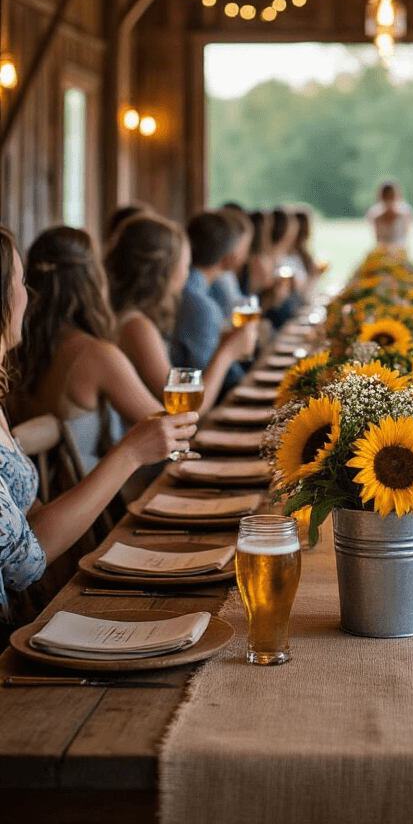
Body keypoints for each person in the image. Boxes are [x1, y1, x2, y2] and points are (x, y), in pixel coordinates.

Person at [0, 225, 195, 621]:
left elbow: (29, 519)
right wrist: (129, 454)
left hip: (56, 560)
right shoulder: (97, 352)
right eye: (20, 281)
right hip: (66, 563)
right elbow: (23, 563)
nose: (28, 293)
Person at [16, 227, 168, 472]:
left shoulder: (16, 348)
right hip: (97, 500)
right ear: (91, 278)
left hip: (41, 496)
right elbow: (167, 433)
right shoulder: (97, 355)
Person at [106, 211, 251, 414]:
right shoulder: (136, 326)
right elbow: (185, 410)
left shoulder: (134, 317)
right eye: (184, 265)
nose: (187, 274)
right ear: (164, 272)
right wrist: (226, 353)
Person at [171, 211, 256, 393]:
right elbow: (204, 385)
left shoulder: (202, 292)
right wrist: (230, 350)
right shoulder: (200, 304)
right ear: (230, 255)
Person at [366, 181, 413, 248]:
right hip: (382, 252)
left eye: (391, 195)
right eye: (386, 196)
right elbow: (379, 240)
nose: (389, 199)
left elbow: (403, 238)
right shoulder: (375, 215)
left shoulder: (405, 213)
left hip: (399, 251)